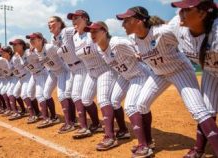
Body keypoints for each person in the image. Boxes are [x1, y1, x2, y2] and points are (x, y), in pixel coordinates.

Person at [116, 6, 218, 157]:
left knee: (198, 110)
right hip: (158, 74)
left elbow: (185, 36)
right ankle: (147, 144)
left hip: (180, 70)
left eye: (126, 20)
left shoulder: (162, 32)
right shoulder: (132, 40)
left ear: (139, 21)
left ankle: (200, 148)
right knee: (140, 105)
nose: (123, 24)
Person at [84, 21, 153, 142]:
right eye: (90, 31)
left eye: (95, 31)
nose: (92, 34)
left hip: (139, 74)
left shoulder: (117, 42)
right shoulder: (100, 49)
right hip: (125, 76)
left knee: (132, 106)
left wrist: (137, 54)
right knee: (114, 101)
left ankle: (146, 141)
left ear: (104, 31)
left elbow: (137, 48)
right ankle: (123, 131)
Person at [169, 0, 218, 157]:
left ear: (202, 13)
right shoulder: (176, 25)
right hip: (211, 71)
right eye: (180, 9)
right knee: (207, 110)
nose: (180, 13)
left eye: (186, 10)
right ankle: (199, 149)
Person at [67, 10, 118, 151]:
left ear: (85, 19)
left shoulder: (93, 32)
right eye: (72, 19)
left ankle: (110, 136)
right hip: (91, 72)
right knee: (85, 99)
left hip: (105, 69)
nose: (73, 21)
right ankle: (96, 124)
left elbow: (108, 44)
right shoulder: (75, 37)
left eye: (76, 18)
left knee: (103, 100)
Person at [48, 16, 78, 134]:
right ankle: (71, 120)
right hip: (66, 68)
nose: (49, 24)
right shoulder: (52, 38)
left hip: (78, 66)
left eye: (52, 21)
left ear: (60, 23)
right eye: (48, 22)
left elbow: (80, 29)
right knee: (67, 95)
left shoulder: (67, 31)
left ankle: (70, 122)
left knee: (70, 94)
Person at [26, 32, 62, 128]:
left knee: (65, 95)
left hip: (61, 71)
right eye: (30, 39)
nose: (31, 41)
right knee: (45, 94)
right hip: (51, 72)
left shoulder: (49, 47)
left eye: (33, 39)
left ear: (40, 39)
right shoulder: (35, 51)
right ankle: (51, 117)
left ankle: (54, 118)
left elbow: (62, 53)